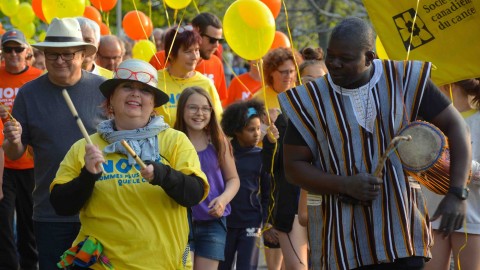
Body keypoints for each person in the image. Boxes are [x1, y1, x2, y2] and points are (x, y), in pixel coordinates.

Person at [278, 17, 471, 270]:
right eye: (331, 56)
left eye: (344, 59)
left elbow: (458, 128)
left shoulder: (406, 79)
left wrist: (457, 192)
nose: (334, 64)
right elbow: (293, 166)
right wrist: (344, 184)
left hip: (401, 236)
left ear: (369, 57)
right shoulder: (309, 100)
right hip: (340, 243)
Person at [50, 59, 209, 269]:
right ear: (111, 99)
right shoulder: (86, 147)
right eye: (127, 87)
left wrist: (163, 174)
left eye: (144, 90)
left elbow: (194, 194)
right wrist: (87, 175)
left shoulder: (175, 141)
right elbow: (61, 205)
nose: (135, 94)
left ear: (153, 104)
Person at [1, 18, 107, 270]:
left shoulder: (104, 89)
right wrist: (12, 140)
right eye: (52, 55)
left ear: (82, 55)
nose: (59, 60)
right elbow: (15, 154)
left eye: (67, 54)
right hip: (50, 212)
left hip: (102, 208)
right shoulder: (28, 93)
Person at [174, 86, 239, 269]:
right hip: (181, 224)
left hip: (213, 225)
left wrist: (223, 200)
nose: (199, 113)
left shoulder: (218, 141)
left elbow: (233, 179)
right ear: (182, 110)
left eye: (205, 108)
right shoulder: (172, 141)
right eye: (193, 107)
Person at [254, 47, 308, 270]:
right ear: (271, 73)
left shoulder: (302, 95)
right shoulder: (259, 98)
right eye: (283, 72)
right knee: (274, 239)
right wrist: (265, 127)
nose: (288, 76)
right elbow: (245, 134)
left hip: (295, 175)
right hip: (267, 172)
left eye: (292, 71)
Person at [423, 78, 480, 270]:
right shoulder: (430, 122)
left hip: (472, 217)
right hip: (433, 213)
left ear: (449, 85)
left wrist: (459, 164)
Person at [0, 29, 42, 270]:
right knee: (4, 224)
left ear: (27, 51)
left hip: (31, 164)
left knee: (29, 225)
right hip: (3, 164)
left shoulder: (38, 77)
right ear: (2, 53)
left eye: (18, 49)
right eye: (8, 49)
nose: (13, 54)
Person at [219, 99, 275, 270]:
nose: (257, 133)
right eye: (251, 129)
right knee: (222, 266)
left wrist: (267, 220)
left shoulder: (261, 155)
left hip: (252, 222)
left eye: (259, 128)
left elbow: (267, 191)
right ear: (236, 131)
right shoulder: (224, 153)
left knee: (248, 266)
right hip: (225, 221)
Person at [149, 13, 228, 104]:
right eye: (212, 40)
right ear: (197, 32)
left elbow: (220, 104)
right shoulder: (159, 59)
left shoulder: (216, 63)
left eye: (219, 40)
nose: (217, 45)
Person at [156, 25, 222, 127]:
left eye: (196, 50)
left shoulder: (205, 84)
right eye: (188, 52)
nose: (194, 57)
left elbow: (218, 123)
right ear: (171, 54)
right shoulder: (154, 81)